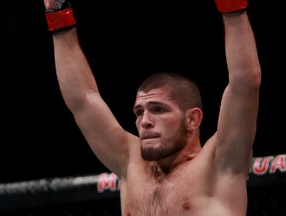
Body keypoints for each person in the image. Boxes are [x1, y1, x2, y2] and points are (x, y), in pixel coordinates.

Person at [43, 0, 261, 215]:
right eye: (139, 112)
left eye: (158, 109)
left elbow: (245, 83)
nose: (144, 121)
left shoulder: (220, 165)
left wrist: (231, 6)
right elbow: (83, 100)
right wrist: (58, 12)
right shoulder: (130, 162)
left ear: (192, 119)